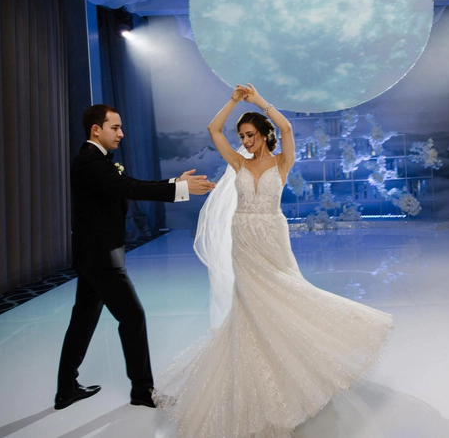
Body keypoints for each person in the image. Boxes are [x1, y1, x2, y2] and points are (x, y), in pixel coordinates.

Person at [153, 84, 393, 437]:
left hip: (272, 237)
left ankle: (299, 367)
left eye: (250, 134)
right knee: (251, 306)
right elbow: (213, 130)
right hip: (243, 239)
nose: (245, 141)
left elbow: (288, 128)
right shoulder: (238, 162)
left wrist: (259, 102)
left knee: (286, 294)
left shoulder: (282, 162)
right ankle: (260, 381)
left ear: (264, 134)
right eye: (242, 136)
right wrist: (233, 101)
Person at [54, 104, 215, 411]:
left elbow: (128, 185)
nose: (121, 134)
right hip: (101, 256)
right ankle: (142, 390)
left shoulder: (96, 159)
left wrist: (174, 182)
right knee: (132, 317)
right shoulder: (90, 161)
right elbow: (131, 187)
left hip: (95, 254)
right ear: (96, 130)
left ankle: (65, 389)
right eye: (115, 127)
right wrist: (180, 188)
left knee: (83, 320)